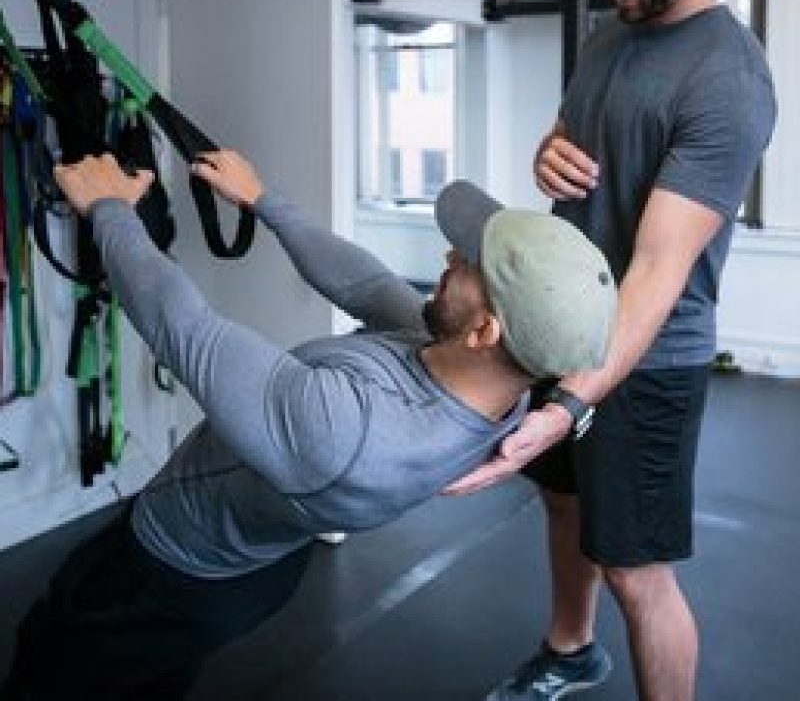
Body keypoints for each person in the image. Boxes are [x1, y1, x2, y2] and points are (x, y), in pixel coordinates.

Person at [1, 149, 616, 701]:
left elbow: (183, 328)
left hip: (170, 569)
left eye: (469, 265)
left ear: (486, 332)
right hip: (259, 562)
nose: (450, 256)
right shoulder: (490, 382)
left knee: (52, 667)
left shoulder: (350, 436)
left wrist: (109, 211)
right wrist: (262, 200)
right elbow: (368, 284)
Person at [451, 0, 777, 701]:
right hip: (563, 332)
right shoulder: (609, 37)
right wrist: (547, 156)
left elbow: (657, 274)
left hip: (647, 356)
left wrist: (567, 406)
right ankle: (569, 650)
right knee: (561, 509)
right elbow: (571, 144)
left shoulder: (728, 78)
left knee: (637, 571)